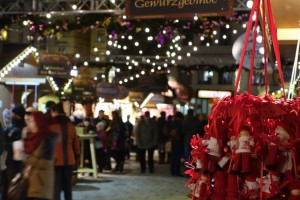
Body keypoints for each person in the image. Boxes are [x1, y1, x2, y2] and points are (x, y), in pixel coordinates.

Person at [23, 111, 58, 200]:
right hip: (30, 183)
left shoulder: (47, 140)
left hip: (41, 185)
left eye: (31, 121)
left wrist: (29, 160)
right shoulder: (31, 138)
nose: (29, 124)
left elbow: (47, 163)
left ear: (38, 122)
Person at [50, 102, 81, 200]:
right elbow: (76, 144)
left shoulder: (51, 126)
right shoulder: (71, 126)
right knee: (68, 187)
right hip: (69, 160)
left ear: (54, 111)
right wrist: (77, 156)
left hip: (55, 160)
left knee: (56, 187)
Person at [1, 105, 26, 200]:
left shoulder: (22, 129)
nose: (10, 115)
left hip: (14, 163)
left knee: (12, 186)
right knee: (4, 185)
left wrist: (4, 144)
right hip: (5, 161)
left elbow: (17, 145)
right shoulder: (10, 128)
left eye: (12, 114)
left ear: (18, 115)